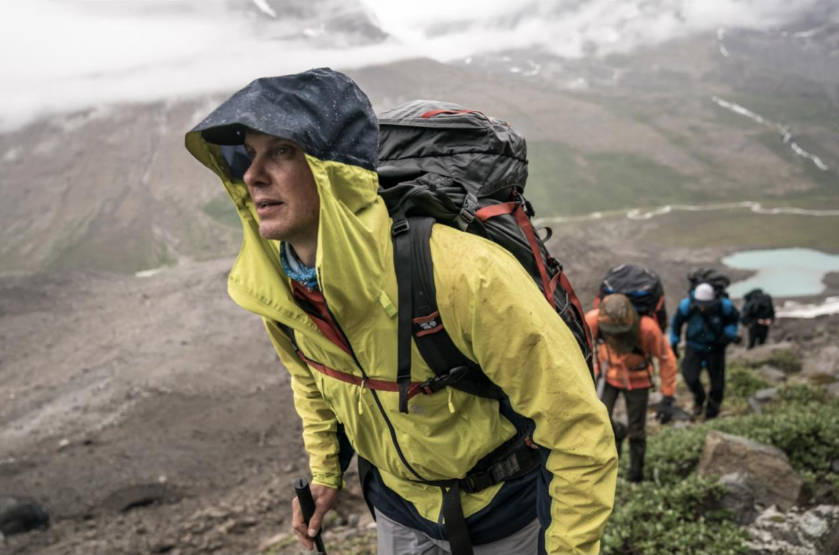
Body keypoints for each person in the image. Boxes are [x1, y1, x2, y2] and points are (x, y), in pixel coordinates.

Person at [185, 68, 617, 555]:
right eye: (247, 154)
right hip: (397, 507)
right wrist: (327, 475)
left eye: (282, 151)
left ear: (336, 169)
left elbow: (578, 429)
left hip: (505, 513)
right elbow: (313, 379)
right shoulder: (282, 289)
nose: (251, 175)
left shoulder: (465, 274)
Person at [585, 294, 677, 482]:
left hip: (638, 380)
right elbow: (577, 345)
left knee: (637, 433)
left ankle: (635, 476)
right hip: (608, 374)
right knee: (602, 423)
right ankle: (612, 458)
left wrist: (667, 397)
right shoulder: (593, 321)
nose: (615, 336)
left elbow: (666, 358)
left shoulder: (647, 328)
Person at [670, 282, 740, 419]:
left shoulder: (723, 305)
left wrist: (728, 335)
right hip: (694, 346)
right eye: (700, 304)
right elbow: (676, 323)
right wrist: (674, 343)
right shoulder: (687, 305)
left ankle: (712, 412)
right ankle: (699, 398)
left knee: (718, 384)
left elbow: (734, 319)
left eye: (706, 304)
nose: (703, 307)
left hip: (715, 348)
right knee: (690, 376)